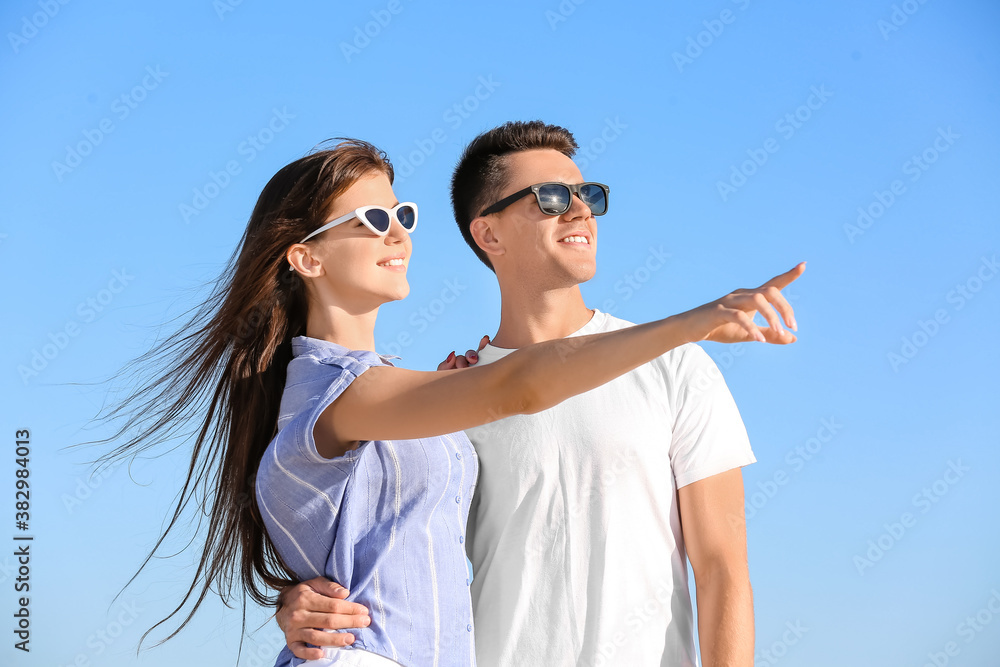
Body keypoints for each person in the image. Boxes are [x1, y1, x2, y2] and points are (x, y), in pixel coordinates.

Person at [275, 122, 806, 667]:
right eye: (551, 198)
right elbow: (394, 542)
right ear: (489, 235)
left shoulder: (676, 365)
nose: (579, 211)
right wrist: (299, 596)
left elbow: (722, 569)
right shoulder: (453, 398)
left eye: (588, 195)